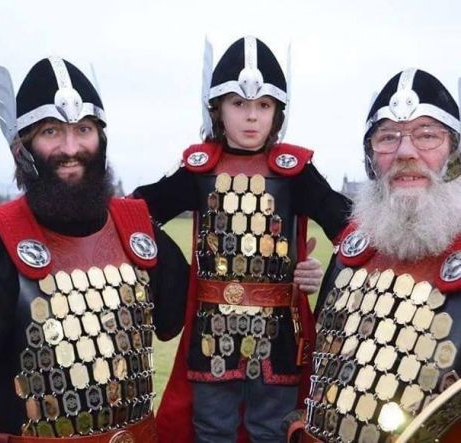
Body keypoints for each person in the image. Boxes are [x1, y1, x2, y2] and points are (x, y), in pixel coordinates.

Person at [133, 36, 351, 443]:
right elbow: (134, 214)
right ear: (217, 109)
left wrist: (321, 275)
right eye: (239, 104)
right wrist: (178, 272)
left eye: (263, 106)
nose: (252, 117)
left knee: (271, 431)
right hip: (211, 332)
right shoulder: (199, 169)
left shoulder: (295, 171)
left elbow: (352, 229)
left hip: (281, 335)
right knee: (212, 430)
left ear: (277, 112)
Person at [0, 57, 188, 442]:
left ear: (101, 139)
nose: (71, 148)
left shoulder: (137, 227)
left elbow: (179, 318)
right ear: (23, 147)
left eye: (83, 129)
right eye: (51, 131)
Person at [292, 68, 461, 443]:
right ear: (371, 158)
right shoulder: (352, 250)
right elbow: (319, 377)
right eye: (387, 138)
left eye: (427, 135)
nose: (405, 152)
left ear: (455, 153)